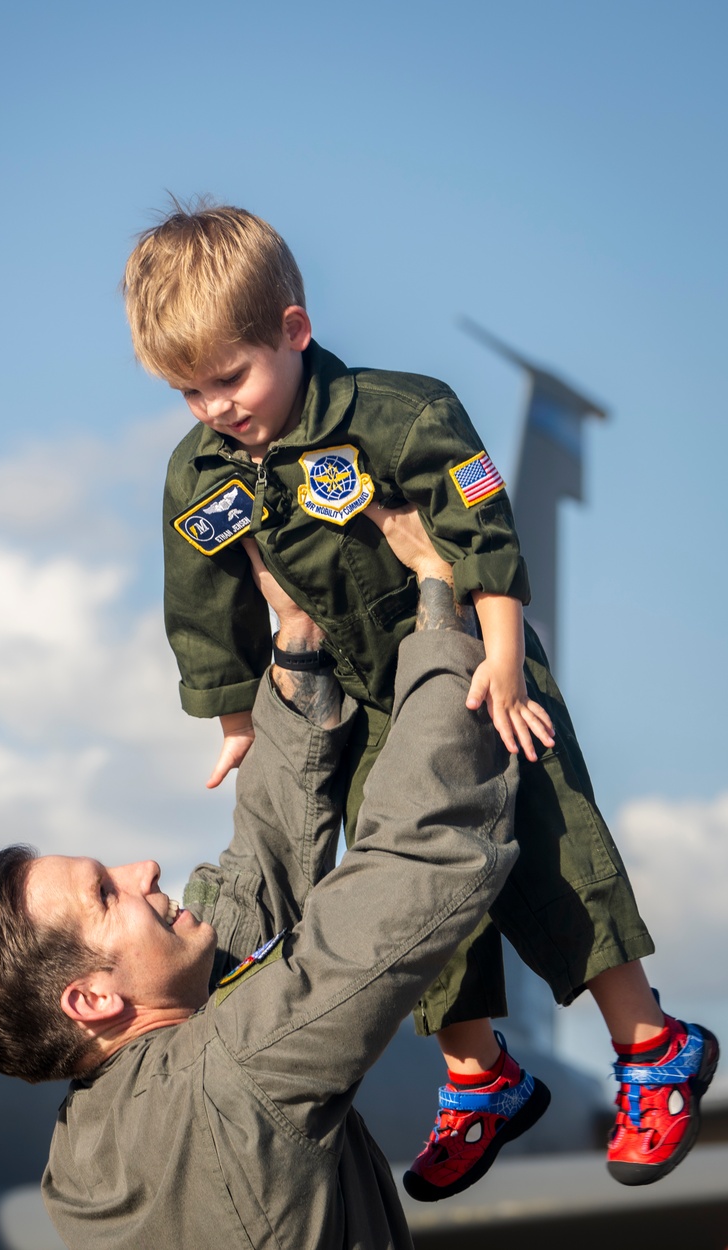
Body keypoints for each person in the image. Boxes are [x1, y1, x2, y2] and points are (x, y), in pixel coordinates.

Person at [120, 201, 719, 1197]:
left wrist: (505, 666)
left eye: (230, 377)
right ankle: (479, 1077)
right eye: (189, 392)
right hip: (363, 702)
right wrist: (235, 717)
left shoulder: (400, 412)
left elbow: (480, 528)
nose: (217, 407)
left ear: (293, 331)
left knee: (553, 850)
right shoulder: (201, 471)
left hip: (475, 669)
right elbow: (202, 591)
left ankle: (652, 1044)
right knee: (403, 894)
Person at [0, 517, 521, 1249]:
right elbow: (416, 860)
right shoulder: (231, 1074)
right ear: (92, 999)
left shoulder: (84, 1160)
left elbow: (254, 878)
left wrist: (296, 645)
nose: (142, 869)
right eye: (106, 895)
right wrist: (441, 603)